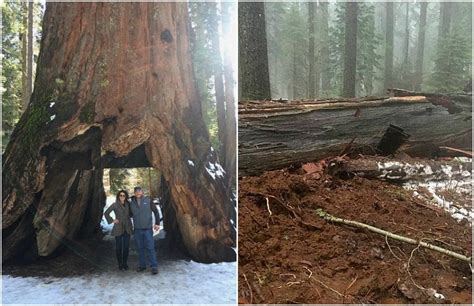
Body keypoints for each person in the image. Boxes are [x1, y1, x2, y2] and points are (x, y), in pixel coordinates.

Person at [130, 186, 160, 274]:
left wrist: (157, 223)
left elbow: (156, 211)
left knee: (150, 248)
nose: (138, 193)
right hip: (137, 229)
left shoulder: (148, 201)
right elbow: (128, 214)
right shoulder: (131, 203)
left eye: (140, 191)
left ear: (142, 192)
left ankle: (154, 266)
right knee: (140, 248)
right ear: (134, 193)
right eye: (136, 191)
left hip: (147, 229)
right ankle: (142, 265)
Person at [104, 190, 133, 271]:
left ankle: (125, 263)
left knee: (126, 247)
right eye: (121, 195)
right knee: (118, 247)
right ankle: (120, 264)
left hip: (127, 227)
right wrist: (112, 220)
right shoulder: (115, 204)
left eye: (124, 195)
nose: (122, 197)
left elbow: (133, 213)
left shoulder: (128, 204)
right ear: (118, 196)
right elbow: (106, 213)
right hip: (118, 227)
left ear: (126, 196)